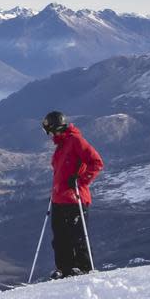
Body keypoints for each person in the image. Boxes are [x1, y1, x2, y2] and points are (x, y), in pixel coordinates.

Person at [43, 110, 104, 277]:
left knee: (77, 236)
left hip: (75, 198)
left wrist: (81, 180)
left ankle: (84, 267)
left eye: (49, 130)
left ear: (55, 128)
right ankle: (64, 268)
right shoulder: (61, 145)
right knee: (60, 238)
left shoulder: (76, 141)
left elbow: (96, 162)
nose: (49, 135)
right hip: (59, 199)